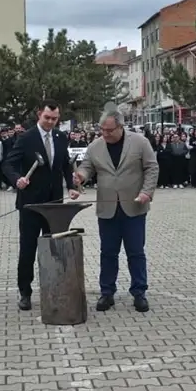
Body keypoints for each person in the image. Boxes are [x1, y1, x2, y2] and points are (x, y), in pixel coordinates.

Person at [73, 109, 159, 313]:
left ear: (121, 127)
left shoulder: (140, 142)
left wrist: (147, 192)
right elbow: (87, 167)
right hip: (107, 209)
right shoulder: (95, 146)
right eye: (102, 130)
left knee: (136, 252)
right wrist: (81, 177)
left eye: (109, 130)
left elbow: (152, 167)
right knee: (108, 253)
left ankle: (139, 293)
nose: (105, 134)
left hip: (134, 207)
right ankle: (107, 293)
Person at [1, 101, 79, 311]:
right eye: (47, 118)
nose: (51, 122)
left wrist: (71, 186)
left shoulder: (60, 137)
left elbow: (64, 165)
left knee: (55, 247)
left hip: (54, 204)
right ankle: (25, 292)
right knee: (28, 248)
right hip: (31, 203)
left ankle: (55, 288)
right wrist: (17, 179)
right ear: (39, 115)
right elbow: (8, 164)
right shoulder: (26, 138)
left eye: (55, 119)